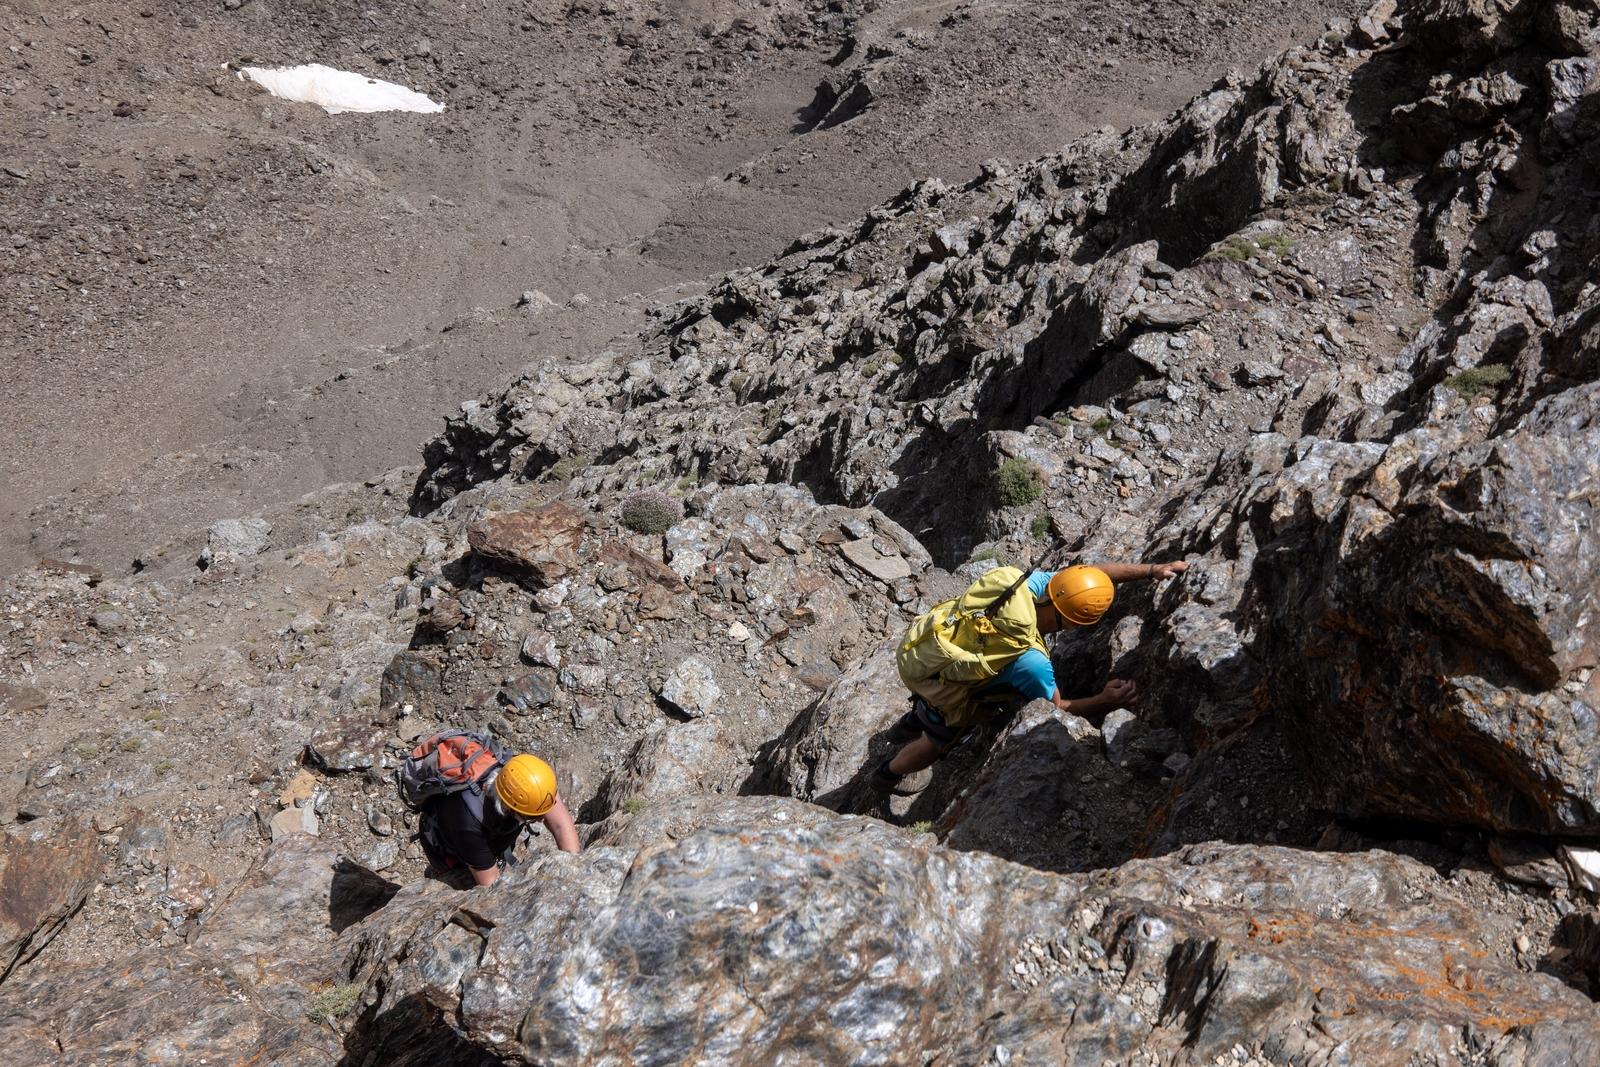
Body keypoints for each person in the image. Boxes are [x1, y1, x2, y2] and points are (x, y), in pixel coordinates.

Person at [872, 560, 1188, 795]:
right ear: (1074, 624)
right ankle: (888, 774)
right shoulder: (1030, 661)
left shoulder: (1019, 583)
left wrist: (1150, 570)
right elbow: (1057, 707)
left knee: (936, 691)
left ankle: (911, 721)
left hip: (922, 650)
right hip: (940, 687)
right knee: (938, 741)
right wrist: (1106, 700)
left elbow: (1090, 577)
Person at [421, 752, 581, 886]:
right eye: (532, 817)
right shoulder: (468, 825)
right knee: (461, 880)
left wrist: (573, 873)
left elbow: (561, 825)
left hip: (486, 833)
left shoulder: (530, 779)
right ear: (510, 808)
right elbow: (492, 887)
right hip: (448, 847)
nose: (541, 820)